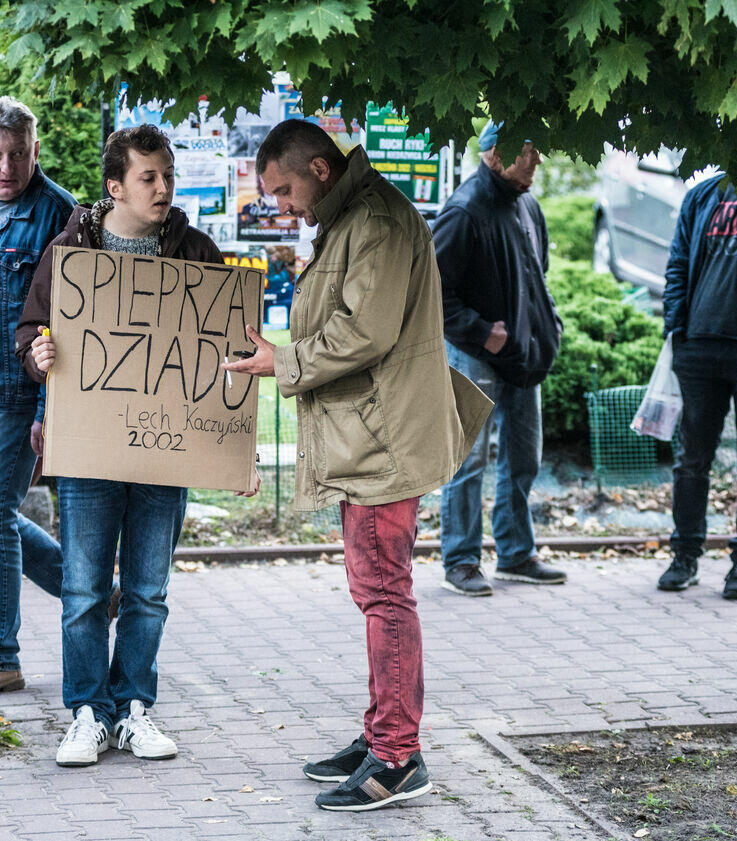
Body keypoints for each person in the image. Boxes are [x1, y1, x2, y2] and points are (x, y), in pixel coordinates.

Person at [224, 119, 491, 812]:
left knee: (384, 594)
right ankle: (383, 734)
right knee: (378, 589)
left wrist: (284, 361)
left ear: (319, 169)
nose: (282, 206)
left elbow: (363, 331)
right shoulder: (353, 216)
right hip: (373, 434)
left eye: (284, 190)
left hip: (382, 441)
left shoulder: (373, 219)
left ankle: (397, 756)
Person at [16, 124, 258, 767]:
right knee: (84, 591)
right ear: (115, 186)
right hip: (90, 452)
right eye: (148, 177)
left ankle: (133, 710)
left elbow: (229, 356)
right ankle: (87, 713)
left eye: (167, 176)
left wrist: (242, 451)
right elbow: (30, 333)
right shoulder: (70, 252)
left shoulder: (197, 253)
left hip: (167, 452)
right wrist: (39, 354)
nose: (163, 188)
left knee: (148, 592)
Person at [431, 120, 566, 597]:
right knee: (468, 460)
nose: (538, 160)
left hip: (523, 354)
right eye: (529, 150)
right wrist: (480, 332)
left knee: (523, 457)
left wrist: (547, 326)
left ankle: (515, 554)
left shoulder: (528, 205)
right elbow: (430, 293)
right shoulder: (463, 210)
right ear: (496, 152)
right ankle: (461, 561)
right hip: (475, 355)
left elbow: (537, 276)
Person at [0, 97, 75, 694]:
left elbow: (65, 326)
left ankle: (1, 656)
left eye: (16, 155)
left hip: (17, 394)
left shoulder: (59, 214)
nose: (5, 168)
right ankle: (87, 589)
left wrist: (44, 410)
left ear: (35, 150)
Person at [658, 173, 737, 599]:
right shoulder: (702, 194)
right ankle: (684, 555)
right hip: (698, 345)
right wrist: (676, 327)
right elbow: (677, 261)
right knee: (691, 460)